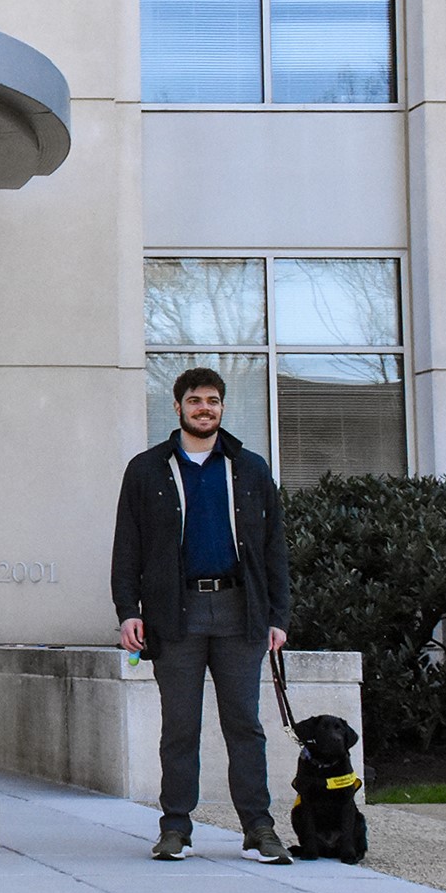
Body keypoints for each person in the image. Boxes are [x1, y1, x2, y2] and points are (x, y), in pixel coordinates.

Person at [112, 367, 292, 864]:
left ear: (222, 407)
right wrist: (128, 610)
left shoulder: (250, 468)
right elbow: (128, 546)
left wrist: (279, 615)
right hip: (177, 613)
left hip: (241, 612)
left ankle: (258, 828)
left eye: (213, 400)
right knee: (180, 727)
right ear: (177, 407)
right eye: (195, 400)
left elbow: (275, 548)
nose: (204, 408)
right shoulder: (147, 470)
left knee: (245, 727)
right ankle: (175, 828)